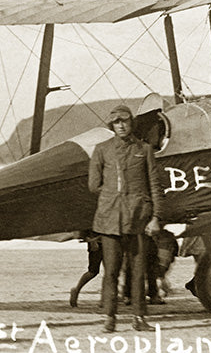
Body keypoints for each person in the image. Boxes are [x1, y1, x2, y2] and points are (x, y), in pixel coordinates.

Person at [88, 104, 163, 333]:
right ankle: (110, 318)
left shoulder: (145, 149)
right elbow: (93, 185)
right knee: (111, 271)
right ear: (112, 125)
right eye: (116, 122)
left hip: (138, 220)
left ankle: (139, 318)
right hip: (110, 221)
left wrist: (156, 217)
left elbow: (155, 186)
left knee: (138, 271)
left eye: (125, 121)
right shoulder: (101, 150)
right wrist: (114, 196)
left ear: (131, 123)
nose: (121, 125)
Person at [68, 231, 103, 308]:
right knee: (93, 271)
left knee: (110, 272)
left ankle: (105, 299)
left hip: (108, 240)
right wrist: (92, 240)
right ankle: (76, 290)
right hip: (96, 240)